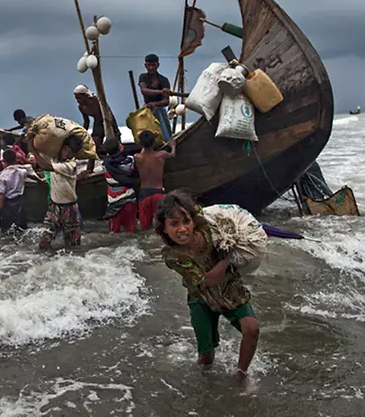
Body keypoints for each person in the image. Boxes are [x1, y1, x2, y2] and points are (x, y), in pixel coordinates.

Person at [156, 190, 259, 377]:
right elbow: (208, 280)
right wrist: (227, 254)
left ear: (193, 221)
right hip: (201, 297)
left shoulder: (205, 228)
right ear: (164, 229)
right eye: (173, 224)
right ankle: (205, 388)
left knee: (251, 329)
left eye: (186, 221)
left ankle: (241, 375)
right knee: (206, 358)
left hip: (230, 289)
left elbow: (199, 210)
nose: (182, 229)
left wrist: (179, 201)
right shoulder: (172, 256)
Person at [33, 134, 83, 249]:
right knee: (44, 242)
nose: (67, 154)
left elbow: (46, 166)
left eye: (70, 152)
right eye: (65, 150)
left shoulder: (71, 165)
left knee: (72, 245)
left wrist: (32, 149)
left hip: (69, 208)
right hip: (54, 207)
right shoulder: (55, 157)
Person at [134, 130, 176, 231]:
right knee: (161, 226)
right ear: (154, 142)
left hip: (144, 194)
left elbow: (144, 151)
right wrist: (173, 145)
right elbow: (173, 155)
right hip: (158, 192)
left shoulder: (137, 157)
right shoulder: (162, 155)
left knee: (145, 228)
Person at [0, 149, 40, 233]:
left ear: (4, 162)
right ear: (15, 160)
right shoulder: (21, 172)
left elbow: (1, 196)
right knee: (21, 230)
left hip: (8, 205)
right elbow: (32, 175)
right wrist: (40, 179)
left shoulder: (2, 176)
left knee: (7, 231)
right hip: (20, 204)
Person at [102, 137, 138, 233]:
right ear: (121, 148)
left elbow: (110, 159)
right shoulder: (130, 161)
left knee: (113, 233)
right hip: (129, 202)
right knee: (130, 232)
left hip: (114, 205)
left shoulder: (105, 165)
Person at [74, 85, 120, 152]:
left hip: (108, 118)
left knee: (115, 141)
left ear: (85, 96)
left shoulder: (96, 101)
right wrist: (82, 134)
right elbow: (86, 122)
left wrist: (109, 126)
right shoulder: (81, 107)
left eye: (80, 98)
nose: (78, 100)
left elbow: (108, 112)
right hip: (97, 122)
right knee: (94, 145)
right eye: (76, 99)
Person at [138, 54, 173, 141]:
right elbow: (144, 90)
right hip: (147, 110)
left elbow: (166, 101)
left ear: (158, 65)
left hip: (160, 110)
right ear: (145, 66)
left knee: (166, 135)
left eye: (153, 65)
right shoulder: (143, 77)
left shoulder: (164, 80)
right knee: (148, 137)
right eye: (149, 65)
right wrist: (160, 91)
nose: (151, 68)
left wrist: (155, 104)